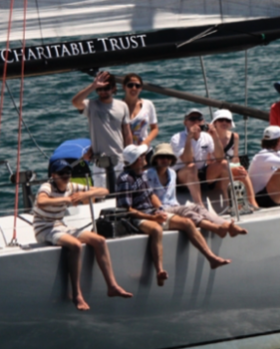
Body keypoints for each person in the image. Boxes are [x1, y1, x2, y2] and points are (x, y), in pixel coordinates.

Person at [117, 144, 231, 287]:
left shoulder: (140, 174)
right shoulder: (125, 179)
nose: (144, 157)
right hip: (136, 218)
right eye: (141, 156)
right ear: (136, 159)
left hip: (151, 213)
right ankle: (159, 271)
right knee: (156, 229)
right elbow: (127, 210)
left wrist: (159, 209)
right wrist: (153, 218)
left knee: (188, 223)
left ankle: (211, 258)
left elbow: (151, 195)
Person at [33, 158, 133, 310]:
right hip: (44, 228)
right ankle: (76, 294)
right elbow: (41, 201)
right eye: (62, 173)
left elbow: (104, 191)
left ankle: (112, 286)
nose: (66, 176)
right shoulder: (47, 187)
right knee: (76, 246)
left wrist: (87, 195)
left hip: (60, 225)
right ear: (53, 175)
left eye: (68, 172)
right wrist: (66, 199)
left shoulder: (71, 186)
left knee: (99, 240)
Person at [145, 143, 247, 238]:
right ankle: (216, 228)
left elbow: (172, 196)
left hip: (173, 206)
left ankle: (227, 225)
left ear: (171, 159)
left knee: (198, 208)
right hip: (159, 210)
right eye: (162, 157)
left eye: (168, 157)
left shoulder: (172, 173)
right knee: (186, 210)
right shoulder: (147, 174)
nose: (165, 159)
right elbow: (148, 197)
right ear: (156, 159)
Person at [71, 71, 132, 186]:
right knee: (102, 196)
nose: (102, 92)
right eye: (99, 89)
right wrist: (93, 86)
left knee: (122, 193)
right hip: (100, 162)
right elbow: (75, 102)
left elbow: (127, 132)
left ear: (114, 88)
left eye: (106, 88)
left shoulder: (122, 106)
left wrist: (129, 156)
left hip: (119, 159)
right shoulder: (91, 105)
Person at [170, 108, 224, 206]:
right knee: (191, 167)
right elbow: (187, 161)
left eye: (199, 119)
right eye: (192, 119)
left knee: (224, 164)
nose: (196, 122)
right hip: (182, 177)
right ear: (185, 122)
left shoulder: (206, 137)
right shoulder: (176, 138)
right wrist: (190, 137)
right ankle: (200, 205)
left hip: (200, 173)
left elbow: (220, 157)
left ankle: (228, 202)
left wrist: (215, 136)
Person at [208, 109, 260, 210]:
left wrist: (239, 168)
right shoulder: (208, 137)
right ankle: (232, 205)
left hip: (229, 171)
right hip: (215, 175)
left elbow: (235, 159)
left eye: (227, 120)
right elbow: (208, 162)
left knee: (242, 171)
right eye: (221, 120)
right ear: (215, 122)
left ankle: (253, 203)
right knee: (227, 168)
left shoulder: (234, 137)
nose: (224, 122)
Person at [122, 73, 158, 146]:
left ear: (141, 88)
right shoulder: (118, 106)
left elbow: (155, 128)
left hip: (144, 150)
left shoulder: (148, 104)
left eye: (137, 86)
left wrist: (146, 141)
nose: (134, 88)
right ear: (124, 87)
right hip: (123, 151)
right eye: (130, 85)